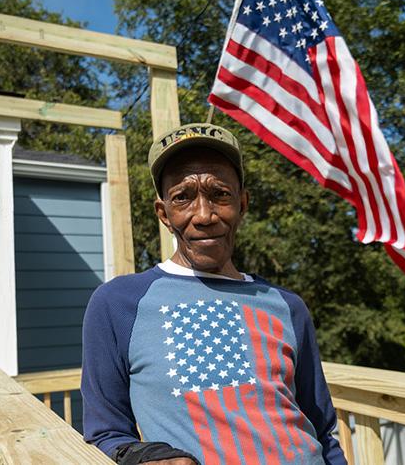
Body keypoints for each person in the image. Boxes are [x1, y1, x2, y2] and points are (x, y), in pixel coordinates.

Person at [81, 123, 347, 465]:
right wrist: (143, 456)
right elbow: (106, 433)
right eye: (183, 197)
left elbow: (323, 431)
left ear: (243, 204)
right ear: (164, 213)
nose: (204, 215)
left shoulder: (287, 306)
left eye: (220, 194)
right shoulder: (118, 304)